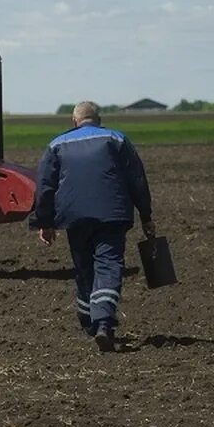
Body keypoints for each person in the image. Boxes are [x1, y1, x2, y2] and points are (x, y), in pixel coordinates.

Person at [29, 101, 154, 352]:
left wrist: (44, 222)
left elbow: (45, 187)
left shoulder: (57, 144)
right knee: (108, 263)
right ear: (99, 119)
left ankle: (88, 321)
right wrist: (146, 216)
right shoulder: (116, 139)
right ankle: (103, 323)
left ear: (73, 121)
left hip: (74, 217)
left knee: (84, 267)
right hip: (113, 214)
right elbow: (137, 179)